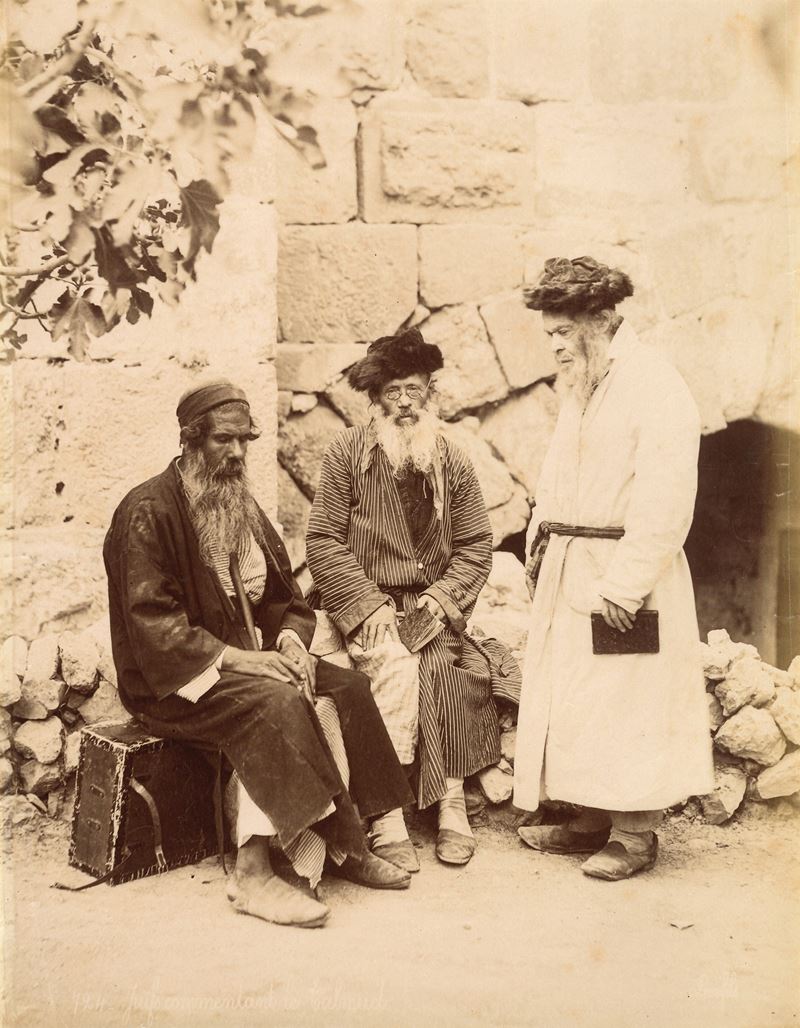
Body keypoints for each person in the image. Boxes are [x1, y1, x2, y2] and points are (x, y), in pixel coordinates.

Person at [103, 380, 415, 929]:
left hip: (247, 660)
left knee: (347, 686)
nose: (237, 452)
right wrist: (247, 661)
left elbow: (284, 599)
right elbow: (155, 626)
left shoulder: (238, 503)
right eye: (223, 440)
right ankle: (252, 873)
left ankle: (350, 841)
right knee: (274, 701)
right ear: (190, 440)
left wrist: (290, 642)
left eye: (244, 440)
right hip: (173, 681)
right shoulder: (147, 511)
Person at [513, 256, 714, 880]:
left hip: (627, 571)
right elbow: (558, 471)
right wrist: (539, 541)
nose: (554, 345)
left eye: (562, 331)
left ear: (600, 320)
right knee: (582, 699)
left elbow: (666, 498)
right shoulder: (582, 383)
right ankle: (592, 819)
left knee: (630, 704)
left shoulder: (655, 383)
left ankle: (635, 835)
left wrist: (626, 584)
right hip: (573, 564)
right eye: (549, 333)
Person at [306, 328, 501, 872]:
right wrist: (364, 603)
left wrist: (441, 599)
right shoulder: (346, 453)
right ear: (375, 399)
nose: (406, 403)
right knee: (389, 666)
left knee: (446, 667)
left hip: (430, 608)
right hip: (365, 602)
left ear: (430, 393)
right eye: (393, 392)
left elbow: (476, 544)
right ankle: (387, 815)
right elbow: (322, 539)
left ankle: (451, 806)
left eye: (415, 389)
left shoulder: (452, 460)